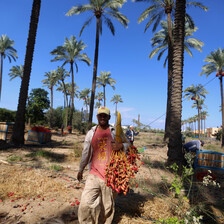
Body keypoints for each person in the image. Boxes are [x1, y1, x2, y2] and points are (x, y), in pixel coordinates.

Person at [77, 107, 129, 224]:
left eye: (105, 116)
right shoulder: (91, 133)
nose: (102, 117)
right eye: (100, 115)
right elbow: (86, 152)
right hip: (94, 174)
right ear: (97, 117)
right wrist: (81, 169)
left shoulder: (116, 131)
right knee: (85, 204)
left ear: (109, 117)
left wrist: (121, 146)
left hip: (110, 175)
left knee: (107, 208)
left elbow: (129, 145)